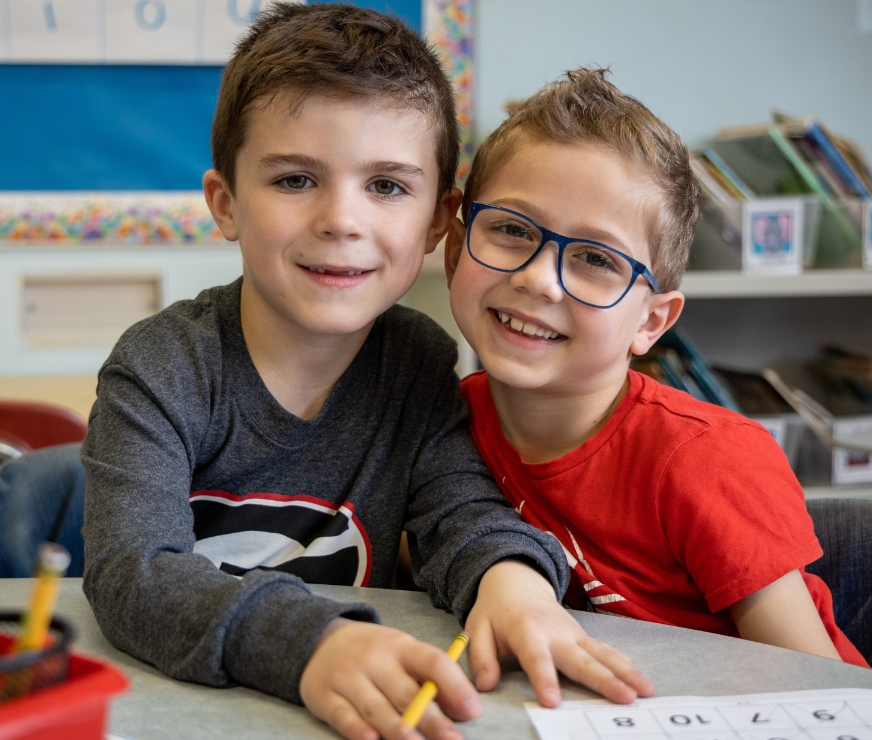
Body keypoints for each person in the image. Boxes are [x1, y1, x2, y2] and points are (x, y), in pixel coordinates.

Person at [81, 8, 653, 740]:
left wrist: (514, 585)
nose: (340, 220)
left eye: (386, 187)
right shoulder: (161, 365)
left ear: (439, 221)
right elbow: (135, 574)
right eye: (295, 179)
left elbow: (460, 512)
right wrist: (312, 643)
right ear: (225, 204)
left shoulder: (417, 362)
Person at [445, 67, 868, 668]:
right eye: (512, 230)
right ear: (458, 250)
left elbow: (811, 687)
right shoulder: (443, 422)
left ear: (651, 322)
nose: (538, 280)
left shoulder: (708, 461)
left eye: (596, 258)